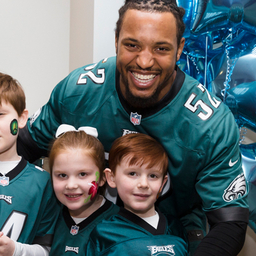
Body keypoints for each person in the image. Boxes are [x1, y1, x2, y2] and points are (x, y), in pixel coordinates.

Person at [17, 0, 249, 255]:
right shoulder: (79, 90)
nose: (145, 61)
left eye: (161, 48)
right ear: (116, 40)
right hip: (81, 230)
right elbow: (21, 148)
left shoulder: (210, 123)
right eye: (132, 45)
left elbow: (230, 222)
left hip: (171, 232)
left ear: (180, 49)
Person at [86, 133, 188, 256]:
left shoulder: (176, 228)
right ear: (111, 178)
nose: (144, 184)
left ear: (162, 183)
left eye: (153, 176)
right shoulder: (104, 233)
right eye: (133, 174)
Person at [0, 72, 60, 256]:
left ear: (21, 119)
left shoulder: (43, 183)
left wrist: (14, 250)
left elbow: (48, 250)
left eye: (0, 114)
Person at [48, 124, 119, 256]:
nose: (71, 185)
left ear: (103, 178)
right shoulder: (49, 216)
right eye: (62, 175)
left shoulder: (117, 222)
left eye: (82, 174)